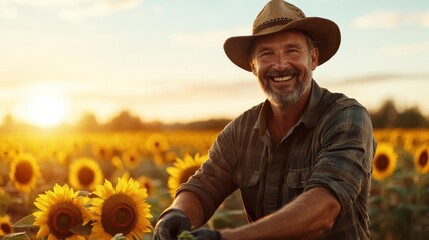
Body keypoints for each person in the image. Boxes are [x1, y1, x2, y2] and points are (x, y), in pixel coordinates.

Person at [153, 0, 376, 239]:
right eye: (266, 54)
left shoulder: (345, 117)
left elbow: (323, 207)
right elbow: (203, 186)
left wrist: (226, 238)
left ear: (313, 59)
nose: (280, 65)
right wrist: (176, 214)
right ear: (253, 66)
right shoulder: (240, 131)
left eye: (292, 50)